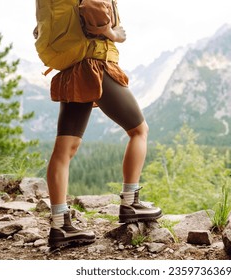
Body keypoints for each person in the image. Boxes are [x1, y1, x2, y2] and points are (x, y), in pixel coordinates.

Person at [44, 0, 162, 250]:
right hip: (95, 64)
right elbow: (93, 7)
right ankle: (131, 202)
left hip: (72, 68)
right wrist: (113, 34)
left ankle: (59, 225)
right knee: (139, 131)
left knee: (65, 149)